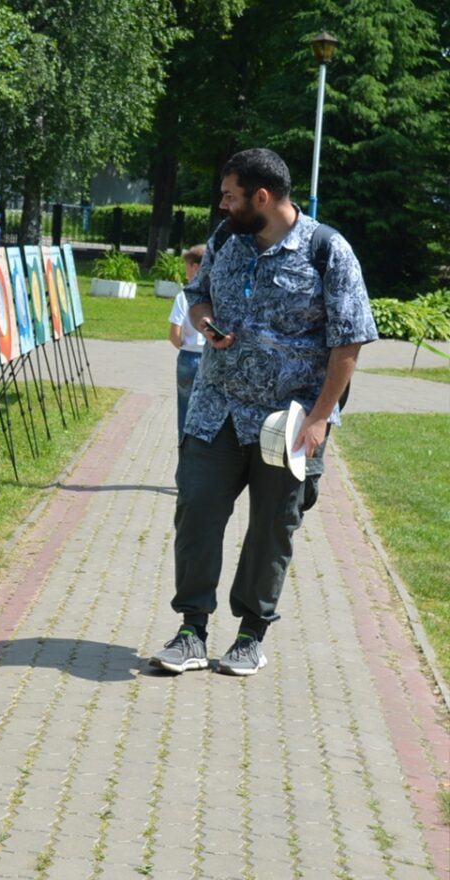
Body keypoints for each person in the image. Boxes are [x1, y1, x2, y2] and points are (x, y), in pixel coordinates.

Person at [150, 147, 376, 678]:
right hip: (215, 412)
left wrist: (320, 418)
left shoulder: (328, 251)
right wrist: (208, 329)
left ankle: (251, 635)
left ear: (262, 197)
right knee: (198, 512)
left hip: (289, 424)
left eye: (230, 195)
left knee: (272, 528)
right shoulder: (225, 239)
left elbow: (348, 346)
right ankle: (191, 631)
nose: (222, 204)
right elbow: (198, 296)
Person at [166, 245, 207, 440]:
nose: (185, 272)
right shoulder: (215, 296)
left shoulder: (184, 296)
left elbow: (174, 333)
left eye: (187, 267)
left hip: (188, 357)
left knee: (185, 406)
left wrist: (183, 344)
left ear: (196, 267)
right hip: (210, 357)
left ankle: (184, 447)